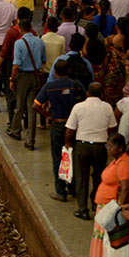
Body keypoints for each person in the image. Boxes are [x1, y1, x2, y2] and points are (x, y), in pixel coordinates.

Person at [34, 60, 85, 201]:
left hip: (57, 125)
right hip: (74, 126)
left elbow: (36, 105)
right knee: (73, 156)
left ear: (55, 72)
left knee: (58, 158)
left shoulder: (49, 86)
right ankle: (72, 188)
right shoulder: (76, 85)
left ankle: (60, 191)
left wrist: (48, 116)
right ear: (68, 71)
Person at [65, 82, 118, 220]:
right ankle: (96, 202)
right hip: (100, 147)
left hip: (82, 145)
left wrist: (67, 143)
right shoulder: (107, 107)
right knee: (99, 175)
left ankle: (82, 209)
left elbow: (70, 130)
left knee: (82, 177)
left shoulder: (78, 107)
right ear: (102, 94)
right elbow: (112, 128)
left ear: (87, 93)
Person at [88, 133, 129, 257]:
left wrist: (117, 209)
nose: (108, 149)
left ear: (120, 148)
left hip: (111, 208)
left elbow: (125, 189)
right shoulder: (117, 161)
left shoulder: (124, 164)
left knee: (108, 242)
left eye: (111, 146)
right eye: (107, 146)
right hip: (105, 207)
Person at [8, 19, 45, 150]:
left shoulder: (19, 43)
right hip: (35, 77)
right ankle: (30, 140)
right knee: (32, 109)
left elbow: (16, 65)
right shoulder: (40, 41)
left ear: (20, 30)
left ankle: (15, 131)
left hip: (23, 77)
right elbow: (44, 60)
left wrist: (12, 79)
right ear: (31, 28)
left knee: (19, 106)